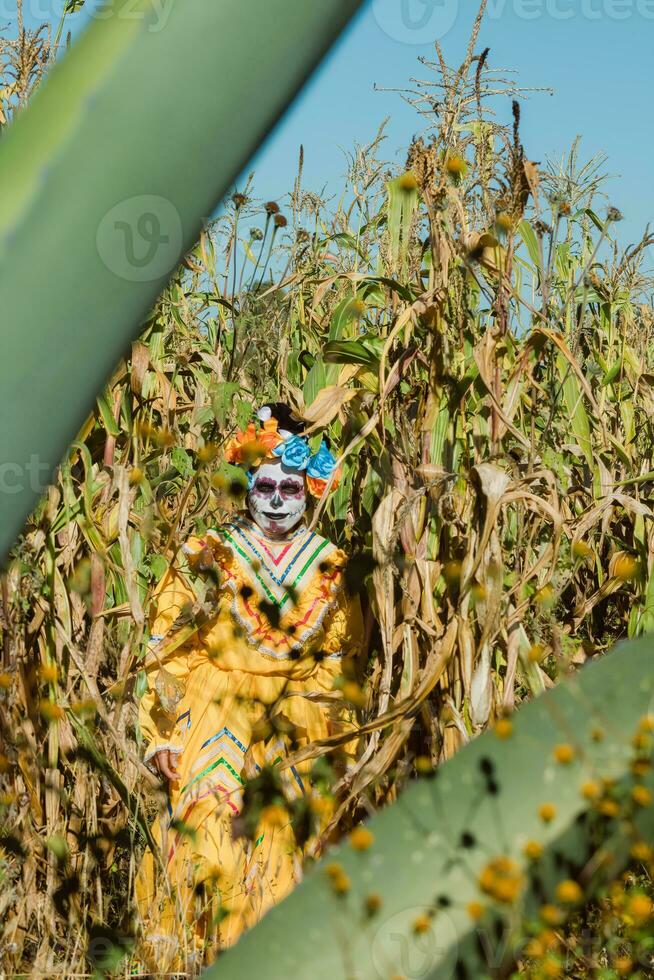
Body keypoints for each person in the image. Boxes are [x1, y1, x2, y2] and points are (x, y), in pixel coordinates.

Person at [136, 404, 364, 969]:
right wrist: (162, 731)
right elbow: (171, 642)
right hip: (215, 714)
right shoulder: (210, 554)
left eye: (291, 486)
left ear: (309, 491)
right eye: (267, 485)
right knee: (209, 834)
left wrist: (341, 731)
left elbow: (340, 657)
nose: (279, 498)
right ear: (248, 487)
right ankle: (203, 958)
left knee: (286, 840)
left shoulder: (330, 565)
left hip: (298, 717)